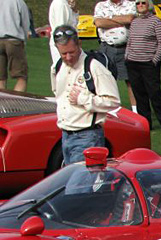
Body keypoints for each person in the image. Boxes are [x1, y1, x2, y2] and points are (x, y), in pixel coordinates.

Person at [50, 26, 120, 164]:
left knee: (80, 184)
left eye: (72, 52)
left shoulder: (94, 67)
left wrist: (84, 99)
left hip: (88, 137)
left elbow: (113, 101)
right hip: (65, 136)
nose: (68, 58)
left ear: (79, 44)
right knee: (77, 181)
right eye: (64, 54)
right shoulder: (57, 67)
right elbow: (58, 95)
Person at [126, 0, 161, 134]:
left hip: (149, 64)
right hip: (132, 63)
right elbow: (130, 41)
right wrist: (127, 56)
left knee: (155, 94)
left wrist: (154, 60)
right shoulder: (134, 22)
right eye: (138, 3)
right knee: (139, 95)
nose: (140, 5)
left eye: (143, 2)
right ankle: (146, 126)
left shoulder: (156, 21)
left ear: (149, 5)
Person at [93, 0, 136, 108]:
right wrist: (121, 21)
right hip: (107, 48)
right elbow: (99, 23)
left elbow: (130, 19)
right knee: (107, 82)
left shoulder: (131, 4)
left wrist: (108, 19)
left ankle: (136, 112)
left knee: (132, 82)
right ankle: (111, 112)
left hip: (127, 48)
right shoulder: (101, 6)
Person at [0, 0, 30, 92]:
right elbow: (25, 24)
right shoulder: (19, 2)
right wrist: (24, 40)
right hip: (14, 40)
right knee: (21, 77)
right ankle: (16, 104)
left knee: (1, 78)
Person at [48, 0, 78, 65]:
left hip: (66, 42)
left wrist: (74, 10)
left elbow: (74, 23)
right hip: (63, 43)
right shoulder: (61, 4)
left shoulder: (65, 3)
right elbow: (61, 30)